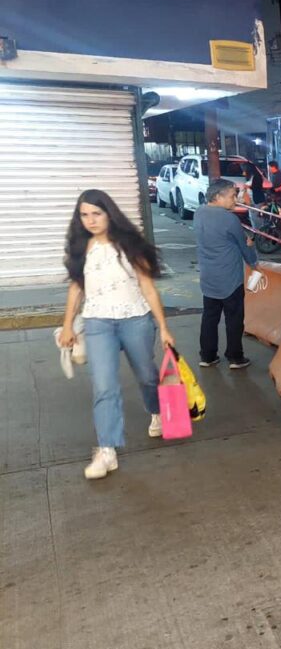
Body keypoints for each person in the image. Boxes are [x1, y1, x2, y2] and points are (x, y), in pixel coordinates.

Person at [58, 189, 175, 480]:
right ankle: (106, 450)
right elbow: (76, 288)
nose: (90, 220)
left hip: (135, 320)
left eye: (96, 213)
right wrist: (69, 325)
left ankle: (157, 411)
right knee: (104, 386)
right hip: (98, 323)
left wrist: (163, 327)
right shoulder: (81, 247)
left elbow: (148, 288)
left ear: (109, 214)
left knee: (147, 375)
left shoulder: (129, 246)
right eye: (84, 214)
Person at [195, 179, 258, 370]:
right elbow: (243, 245)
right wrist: (254, 262)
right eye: (232, 196)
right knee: (234, 318)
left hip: (208, 278)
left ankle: (207, 355)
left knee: (209, 317)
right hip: (230, 279)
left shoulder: (199, 213)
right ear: (217, 196)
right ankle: (235, 357)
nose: (235, 199)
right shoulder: (229, 219)